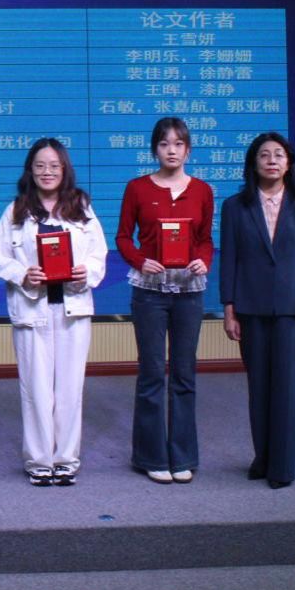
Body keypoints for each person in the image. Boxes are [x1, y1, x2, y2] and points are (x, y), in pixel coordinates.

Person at [0, 138, 107, 486]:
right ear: (30, 170)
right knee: (35, 389)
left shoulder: (81, 207)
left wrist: (86, 271)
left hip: (72, 308)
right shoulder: (16, 211)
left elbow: (98, 253)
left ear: (64, 169)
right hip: (32, 309)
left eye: (54, 166)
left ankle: (66, 459)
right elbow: (0, 258)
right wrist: (24, 274)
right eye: (40, 166)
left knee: (70, 388)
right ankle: (39, 461)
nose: (47, 172)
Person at [220, 132, 295, 489]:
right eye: (264, 155)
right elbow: (230, 261)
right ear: (253, 163)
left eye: (279, 154)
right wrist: (229, 309)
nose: (271, 160)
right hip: (251, 310)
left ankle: (283, 466)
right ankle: (263, 458)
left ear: (289, 162)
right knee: (259, 388)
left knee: (289, 390)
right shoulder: (235, 206)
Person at [115, 117, 214, 484]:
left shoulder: (202, 191)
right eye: (164, 143)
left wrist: (203, 260)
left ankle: (183, 456)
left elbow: (205, 240)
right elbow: (123, 238)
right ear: (154, 149)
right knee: (153, 372)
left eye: (178, 143)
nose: (171, 150)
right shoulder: (137, 188)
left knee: (184, 373)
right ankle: (151, 456)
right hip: (149, 292)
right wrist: (140, 260)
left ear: (188, 150)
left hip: (189, 292)